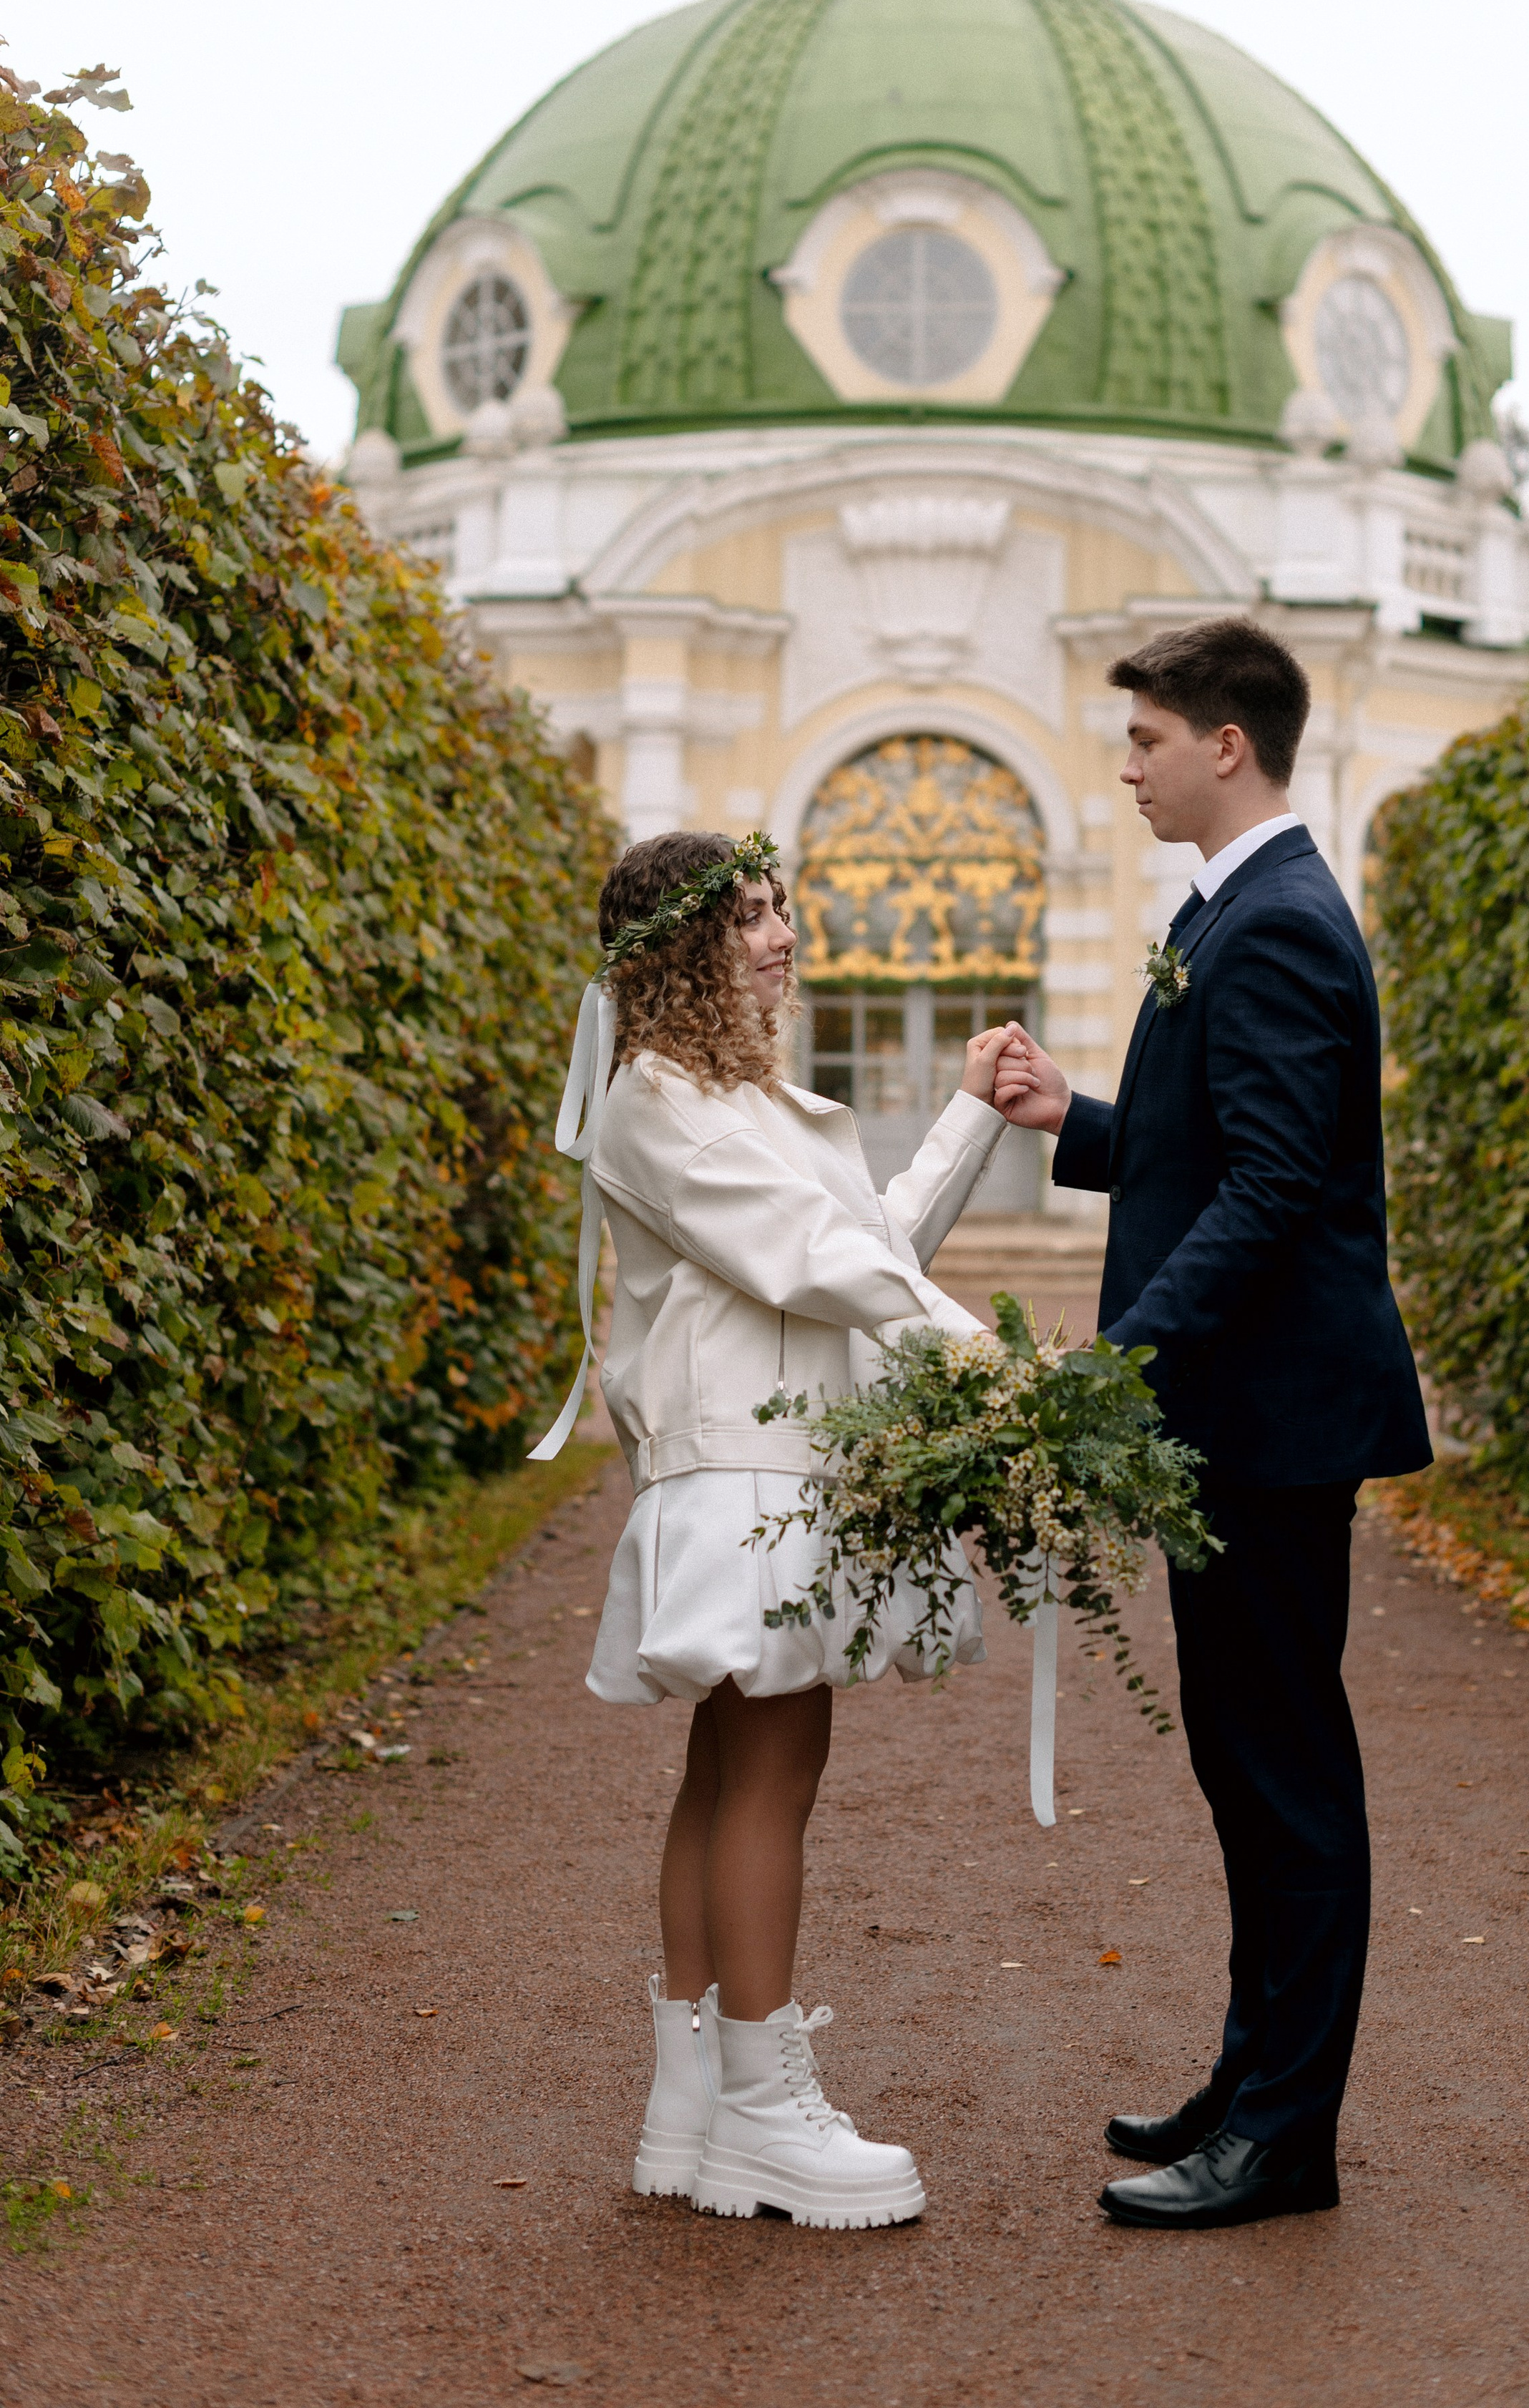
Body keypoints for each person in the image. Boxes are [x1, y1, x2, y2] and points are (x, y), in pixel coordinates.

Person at [993, 617, 1431, 2232]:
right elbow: (1218, 1151)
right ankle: (1252, 2081)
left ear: (1225, 745)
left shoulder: (1279, 923)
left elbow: (1272, 1191)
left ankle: (1286, 2137)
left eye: (1146, 739)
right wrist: (1076, 1120)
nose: (1127, 767)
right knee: (1247, 1768)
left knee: (1284, 1772)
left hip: (1272, 1419)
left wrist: (1116, 1361)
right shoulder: (1233, 910)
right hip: (1242, 1419)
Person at [552, 830, 1012, 2231]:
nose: (779, 934)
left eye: (780, 908)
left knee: (728, 1769)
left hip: (768, 1468)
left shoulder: (725, 1100)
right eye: (746, 916)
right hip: (746, 1478)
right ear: (681, 949)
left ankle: (691, 2099)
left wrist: (965, 1118)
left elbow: (863, 1241)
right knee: (769, 1772)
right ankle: (761, 2108)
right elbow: (812, 1260)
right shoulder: (658, 1098)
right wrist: (980, 1355)